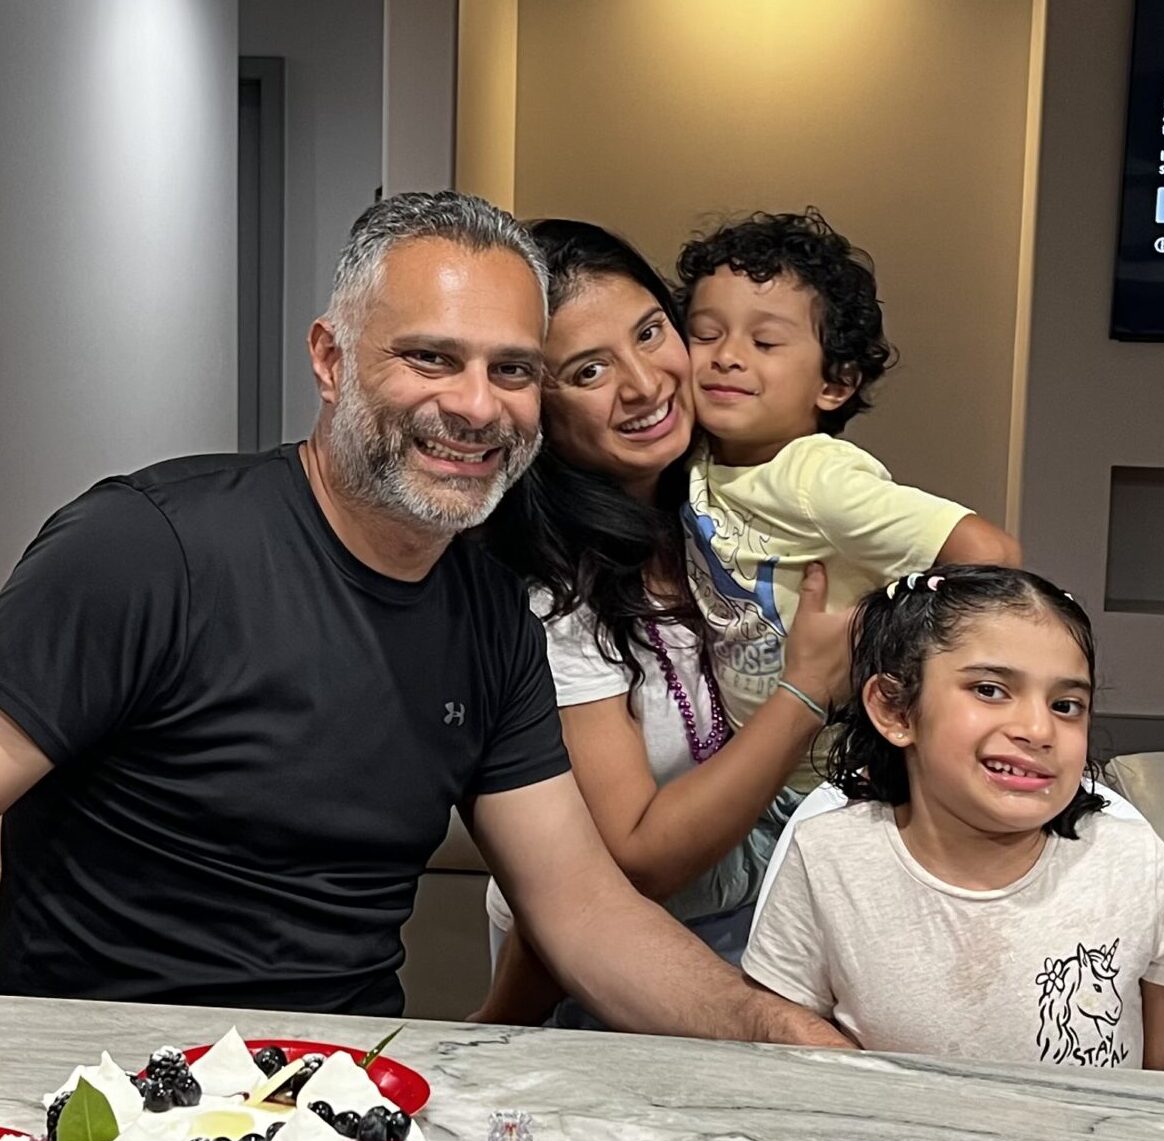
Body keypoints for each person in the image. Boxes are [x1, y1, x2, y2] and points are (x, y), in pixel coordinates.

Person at [0, 191, 849, 1048]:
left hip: (345, 1101)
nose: (478, 407)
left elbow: (583, 909)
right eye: (433, 358)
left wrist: (776, 1033)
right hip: (96, 1101)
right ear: (331, 360)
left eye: (512, 370)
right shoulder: (148, 548)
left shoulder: (490, 615)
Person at [471, 220, 852, 1028]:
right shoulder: (549, 597)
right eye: (588, 369)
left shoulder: (721, 501)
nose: (644, 384)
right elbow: (634, 855)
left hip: (761, 936)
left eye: (651, 333)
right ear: (536, 404)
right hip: (610, 980)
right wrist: (807, 690)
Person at [743, 565, 1164, 1071]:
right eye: (991, 690)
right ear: (896, 710)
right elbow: (782, 1049)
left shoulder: (1128, 862)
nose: (1039, 730)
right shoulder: (830, 857)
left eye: (1066, 705)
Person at [676, 209, 1021, 797]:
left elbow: (991, 553)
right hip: (753, 769)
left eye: (764, 342)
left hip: (837, 781)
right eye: (705, 334)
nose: (727, 355)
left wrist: (869, 634)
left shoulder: (817, 477)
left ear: (833, 384)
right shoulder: (695, 456)